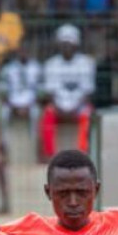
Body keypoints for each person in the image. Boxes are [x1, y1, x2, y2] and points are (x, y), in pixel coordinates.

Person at [40, 24, 95, 162]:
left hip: (79, 106)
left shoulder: (86, 63)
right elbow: (50, 94)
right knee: (47, 115)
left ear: (76, 45)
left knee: (88, 114)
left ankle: (83, 152)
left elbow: (87, 93)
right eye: (64, 44)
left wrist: (74, 109)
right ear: (59, 45)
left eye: (69, 44)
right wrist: (60, 109)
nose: (66, 47)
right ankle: (49, 155)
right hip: (58, 106)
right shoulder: (51, 64)